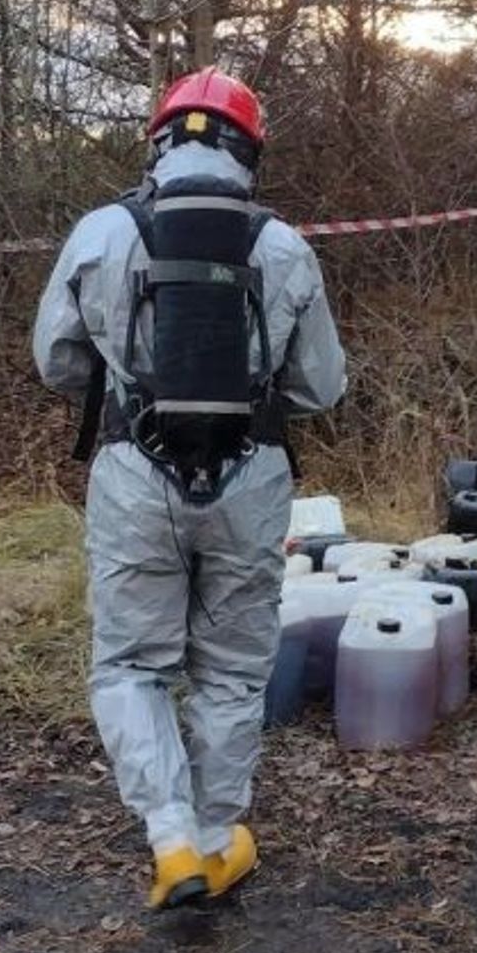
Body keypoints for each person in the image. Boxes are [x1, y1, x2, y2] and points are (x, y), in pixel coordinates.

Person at [33, 68, 346, 910]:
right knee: (233, 672)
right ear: (250, 151)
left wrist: (125, 372)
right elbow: (320, 386)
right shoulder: (285, 246)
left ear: (158, 142)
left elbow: (56, 361)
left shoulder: (102, 231)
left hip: (135, 474)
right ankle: (215, 838)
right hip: (251, 478)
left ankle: (172, 840)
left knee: (132, 664)